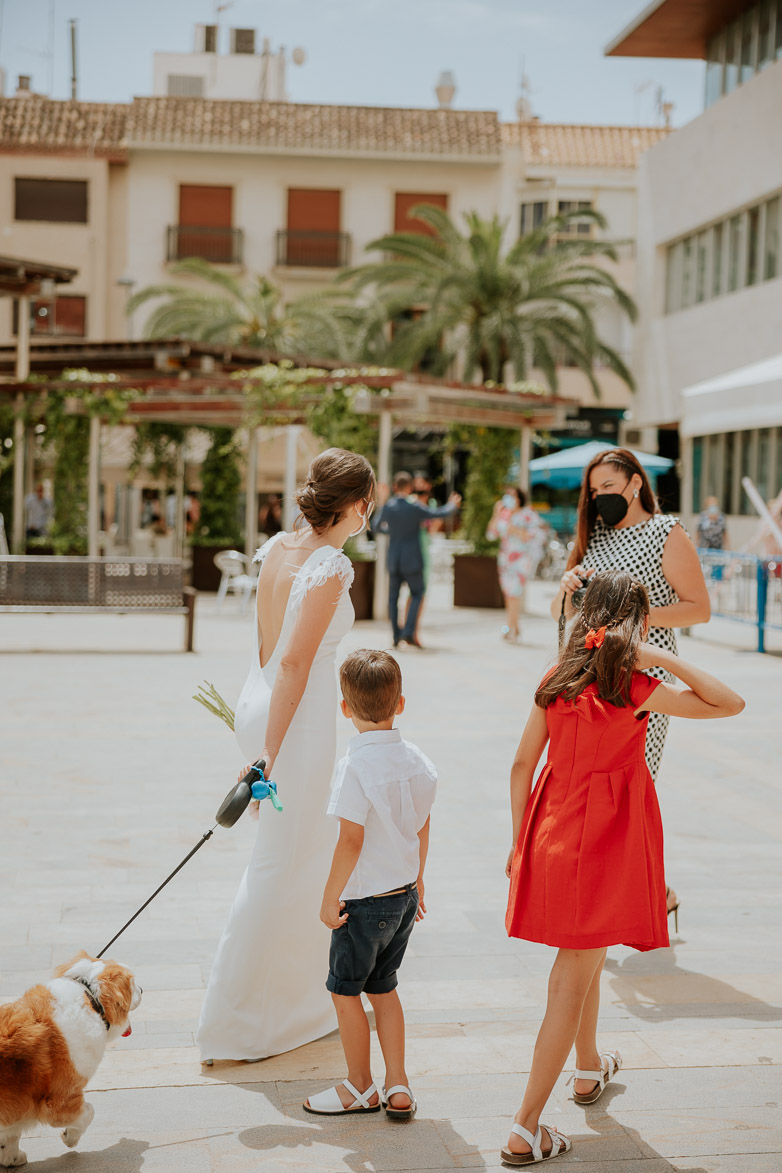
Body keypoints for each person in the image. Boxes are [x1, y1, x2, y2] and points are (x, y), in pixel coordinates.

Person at [502, 569, 744, 1165]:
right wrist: (659, 655)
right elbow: (728, 702)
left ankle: (587, 1070)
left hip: (552, 833)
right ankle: (525, 1126)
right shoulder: (634, 689)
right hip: (603, 847)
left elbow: (520, 766)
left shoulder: (554, 679)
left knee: (585, 960)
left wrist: (518, 845)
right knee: (570, 976)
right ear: (632, 626)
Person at [197, 448, 376, 1064]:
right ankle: (240, 1020)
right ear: (356, 504)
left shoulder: (276, 547)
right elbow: (298, 662)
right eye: (367, 504)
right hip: (291, 723)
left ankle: (285, 1004)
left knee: (292, 859)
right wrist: (270, 754)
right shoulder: (330, 565)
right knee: (282, 865)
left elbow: (272, 647)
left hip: (260, 700)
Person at [551, 447, 710, 924]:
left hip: (646, 676)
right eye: (594, 491)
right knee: (595, 786)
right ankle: (650, 889)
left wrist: (630, 618)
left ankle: (632, 893)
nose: (600, 498)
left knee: (632, 783)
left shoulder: (667, 532)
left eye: (608, 488)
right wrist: (567, 588)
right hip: (591, 677)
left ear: (636, 484)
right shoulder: (595, 535)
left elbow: (698, 607)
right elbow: (572, 611)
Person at [304, 649, 436, 1118]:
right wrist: (418, 878)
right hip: (403, 897)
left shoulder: (354, 766)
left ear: (344, 708)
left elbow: (351, 840)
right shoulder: (418, 761)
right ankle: (397, 1084)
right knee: (385, 989)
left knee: (345, 992)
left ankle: (360, 1086)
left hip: (362, 904)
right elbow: (421, 825)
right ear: (400, 703)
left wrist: (327, 897)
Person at [375, 471, 460, 648]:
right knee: (417, 593)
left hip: (394, 560)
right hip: (412, 559)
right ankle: (408, 632)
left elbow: (376, 527)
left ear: (395, 487)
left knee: (393, 599)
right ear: (410, 487)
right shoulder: (414, 507)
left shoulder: (389, 507)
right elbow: (439, 513)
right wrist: (453, 505)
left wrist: (390, 530)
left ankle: (396, 636)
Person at [487, 486, 546, 643]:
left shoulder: (528, 514)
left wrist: (516, 530)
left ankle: (510, 628)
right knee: (508, 594)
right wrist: (496, 513)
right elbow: (491, 534)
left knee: (514, 593)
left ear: (519, 498)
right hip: (505, 560)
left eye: (512, 496)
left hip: (521, 559)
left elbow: (536, 536)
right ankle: (515, 626)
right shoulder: (504, 515)